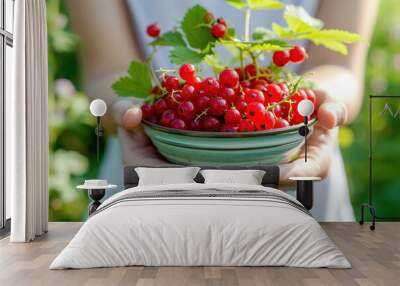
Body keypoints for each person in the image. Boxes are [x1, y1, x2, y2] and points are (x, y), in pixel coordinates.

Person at [66, 0, 379, 221]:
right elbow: (106, 72)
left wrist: (322, 100)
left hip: (293, 158)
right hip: (152, 156)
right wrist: (133, 111)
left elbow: (339, 70)